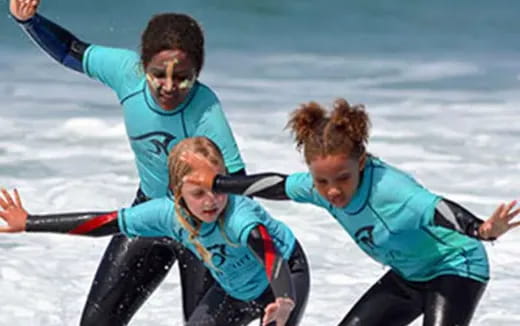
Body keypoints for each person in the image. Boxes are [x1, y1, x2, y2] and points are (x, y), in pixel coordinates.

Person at [180, 98, 520, 326]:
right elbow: (276, 185)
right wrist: (218, 182)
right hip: (408, 273)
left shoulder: (390, 190)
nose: (332, 190)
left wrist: (481, 229)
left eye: (343, 178)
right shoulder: (318, 187)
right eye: (322, 180)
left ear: (361, 162)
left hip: (454, 267)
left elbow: (438, 209)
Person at [9, 1, 246, 325]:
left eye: (183, 78)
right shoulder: (125, 72)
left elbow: (238, 182)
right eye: (157, 74)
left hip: (203, 228)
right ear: (142, 66)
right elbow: (69, 50)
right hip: (150, 212)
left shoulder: (205, 109)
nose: (169, 86)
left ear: (198, 73)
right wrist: (29, 21)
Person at [0, 137, 310, 326]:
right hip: (234, 289)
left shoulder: (238, 216)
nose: (211, 201)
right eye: (197, 193)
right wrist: (29, 222)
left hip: (283, 277)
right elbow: (104, 223)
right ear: (178, 193)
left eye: (217, 188)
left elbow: (270, 252)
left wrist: (284, 298)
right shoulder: (166, 214)